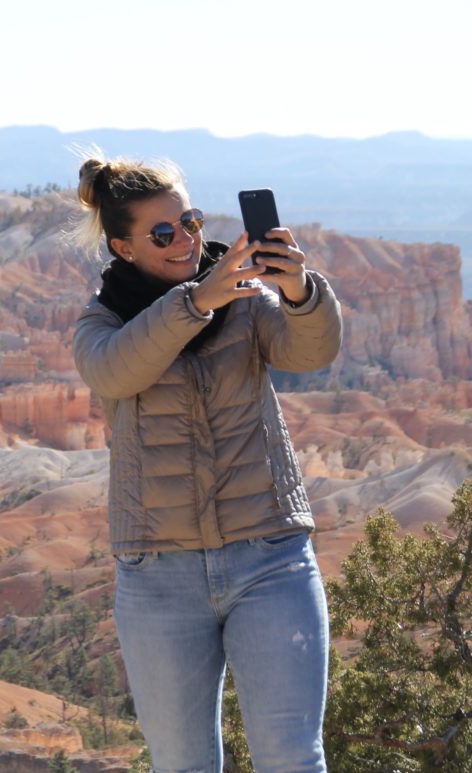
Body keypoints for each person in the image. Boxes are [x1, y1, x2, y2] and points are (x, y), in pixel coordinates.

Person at [72, 156, 342, 773]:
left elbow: (311, 350)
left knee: (293, 759)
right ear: (123, 246)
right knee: (182, 764)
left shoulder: (244, 302)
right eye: (163, 233)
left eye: (189, 222)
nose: (187, 240)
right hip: (159, 577)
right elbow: (117, 370)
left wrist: (299, 292)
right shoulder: (102, 321)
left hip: (270, 556)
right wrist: (198, 301)